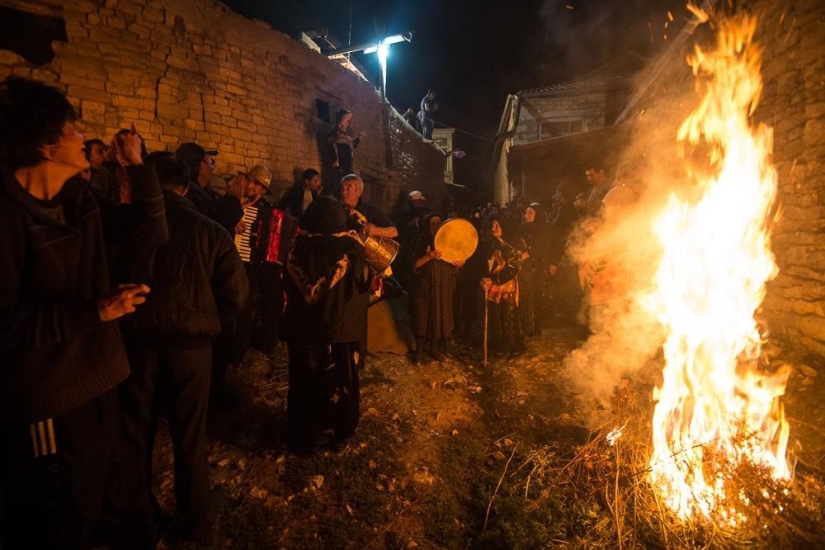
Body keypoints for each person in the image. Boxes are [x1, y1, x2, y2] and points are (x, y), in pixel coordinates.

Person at [0, 77, 164, 549]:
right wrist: (93, 311)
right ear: (47, 146)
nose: (82, 136)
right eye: (73, 129)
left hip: (102, 379)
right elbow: (4, 324)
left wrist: (138, 166)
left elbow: (151, 230)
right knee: (64, 517)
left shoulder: (79, 202)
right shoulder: (8, 219)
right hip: (50, 402)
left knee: (124, 503)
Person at [118, 153, 248, 544]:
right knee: (189, 434)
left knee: (134, 434)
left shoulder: (123, 226)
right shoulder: (210, 231)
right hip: (191, 349)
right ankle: (195, 521)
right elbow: (237, 295)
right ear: (187, 188)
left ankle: (138, 521)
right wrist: (210, 320)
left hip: (135, 343)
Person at [281, 196, 371, 453]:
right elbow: (363, 283)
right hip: (338, 331)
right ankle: (339, 432)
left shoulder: (295, 245)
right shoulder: (352, 248)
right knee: (340, 381)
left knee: (304, 379)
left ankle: (304, 433)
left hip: (303, 329)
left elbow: (286, 282)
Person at [408, 212, 464, 363]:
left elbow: (454, 267)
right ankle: (418, 352)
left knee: (440, 316)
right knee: (422, 317)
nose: (436, 227)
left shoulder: (448, 242)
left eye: (439, 224)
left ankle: (434, 349)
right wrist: (428, 257)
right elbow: (413, 264)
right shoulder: (420, 241)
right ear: (427, 226)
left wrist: (458, 266)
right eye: (433, 224)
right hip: (425, 286)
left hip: (443, 285)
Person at [481, 217, 527, 358]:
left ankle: (515, 345)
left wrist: (494, 279)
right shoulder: (494, 244)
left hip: (509, 285)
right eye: (493, 224)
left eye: (497, 225)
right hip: (495, 285)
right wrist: (485, 278)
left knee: (510, 315)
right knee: (498, 315)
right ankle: (501, 343)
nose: (493, 228)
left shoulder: (514, 244)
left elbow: (513, 268)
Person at [327, 109, 364, 197]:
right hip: (339, 168)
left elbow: (350, 145)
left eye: (350, 118)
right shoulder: (336, 132)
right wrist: (335, 161)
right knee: (338, 189)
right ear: (341, 118)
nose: (349, 120)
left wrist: (358, 139)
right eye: (347, 118)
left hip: (348, 167)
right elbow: (330, 143)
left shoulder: (346, 134)